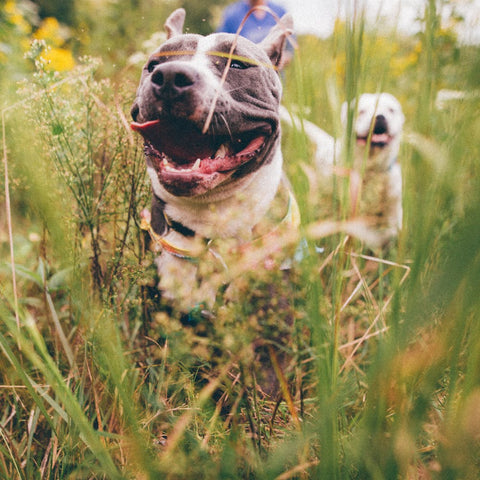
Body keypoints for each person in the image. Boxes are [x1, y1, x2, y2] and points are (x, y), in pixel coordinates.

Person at [217, 0, 293, 48]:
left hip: (275, 72)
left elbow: (290, 48)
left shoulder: (280, 12)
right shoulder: (232, 14)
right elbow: (220, 46)